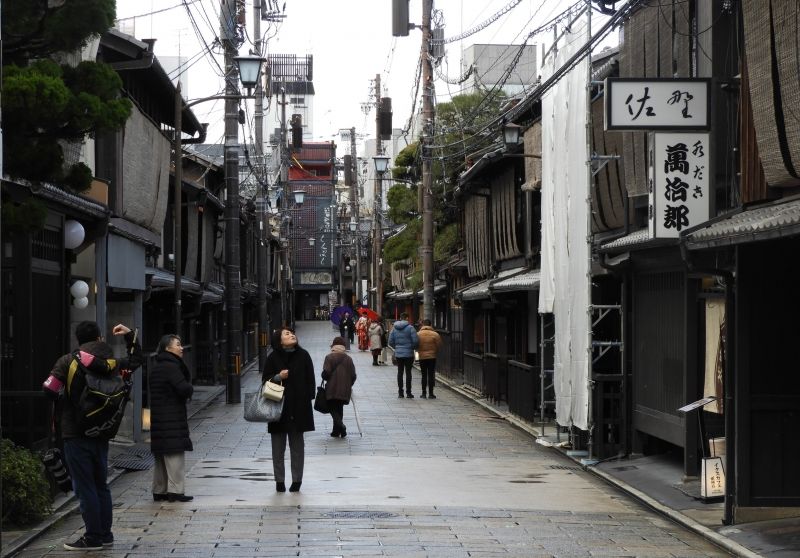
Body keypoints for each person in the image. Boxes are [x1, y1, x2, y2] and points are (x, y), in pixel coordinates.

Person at [45, 321, 142, 551]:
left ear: (79, 340)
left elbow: (49, 389)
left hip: (75, 432)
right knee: (101, 485)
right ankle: (105, 535)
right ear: (99, 338)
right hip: (102, 431)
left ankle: (93, 538)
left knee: (84, 486)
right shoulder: (114, 364)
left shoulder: (68, 362)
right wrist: (130, 335)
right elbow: (137, 360)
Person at [262, 327, 315, 492]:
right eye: (287, 334)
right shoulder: (272, 358)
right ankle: (279, 481)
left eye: (292, 333)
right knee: (278, 448)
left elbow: (310, 380)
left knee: (297, 447)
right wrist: (278, 377)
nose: (292, 335)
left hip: (299, 408)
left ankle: (297, 480)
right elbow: (265, 382)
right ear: (279, 340)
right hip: (278, 408)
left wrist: (306, 398)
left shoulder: (304, 355)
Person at [149, 334, 194, 503]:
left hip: (160, 416)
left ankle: (159, 490)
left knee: (161, 457)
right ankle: (175, 491)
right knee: (174, 455)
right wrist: (190, 388)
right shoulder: (171, 367)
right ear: (168, 348)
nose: (181, 348)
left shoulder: (157, 366)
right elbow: (183, 388)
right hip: (172, 417)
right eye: (178, 345)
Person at [321, 336, 357, 438]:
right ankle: (336, 431)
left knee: (332, 407)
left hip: (332, 388)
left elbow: (326, 372)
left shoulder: (329, 357)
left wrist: (323, 375)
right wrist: (349, 384)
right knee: (339, 409)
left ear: (333, 346)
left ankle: (341, 426)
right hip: (345, 389)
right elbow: (353, 375)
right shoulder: (348, 359)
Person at [388, 312, 419, 398]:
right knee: (408, 372)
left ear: (400, 318)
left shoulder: (394, 328)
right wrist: (411, 347)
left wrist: (397, 347)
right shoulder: (411, 328)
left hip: (398, 353)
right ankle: (408, 393)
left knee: (400, 372)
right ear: (407, 318)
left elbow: (390, 341)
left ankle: (400, 392)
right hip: (408, 353)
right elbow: (415, 341)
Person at [416, 319, 443, 399]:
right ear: (430, 325)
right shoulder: (435, 334)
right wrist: (435, 351)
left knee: (423, 375)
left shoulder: (418, 334)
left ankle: (423, 393)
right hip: (432, 357)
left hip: (422, 357)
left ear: (423, 325)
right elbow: (440, 345)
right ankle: (431, 393)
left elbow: (415, 344)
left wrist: (419, 350)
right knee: (431, 375)